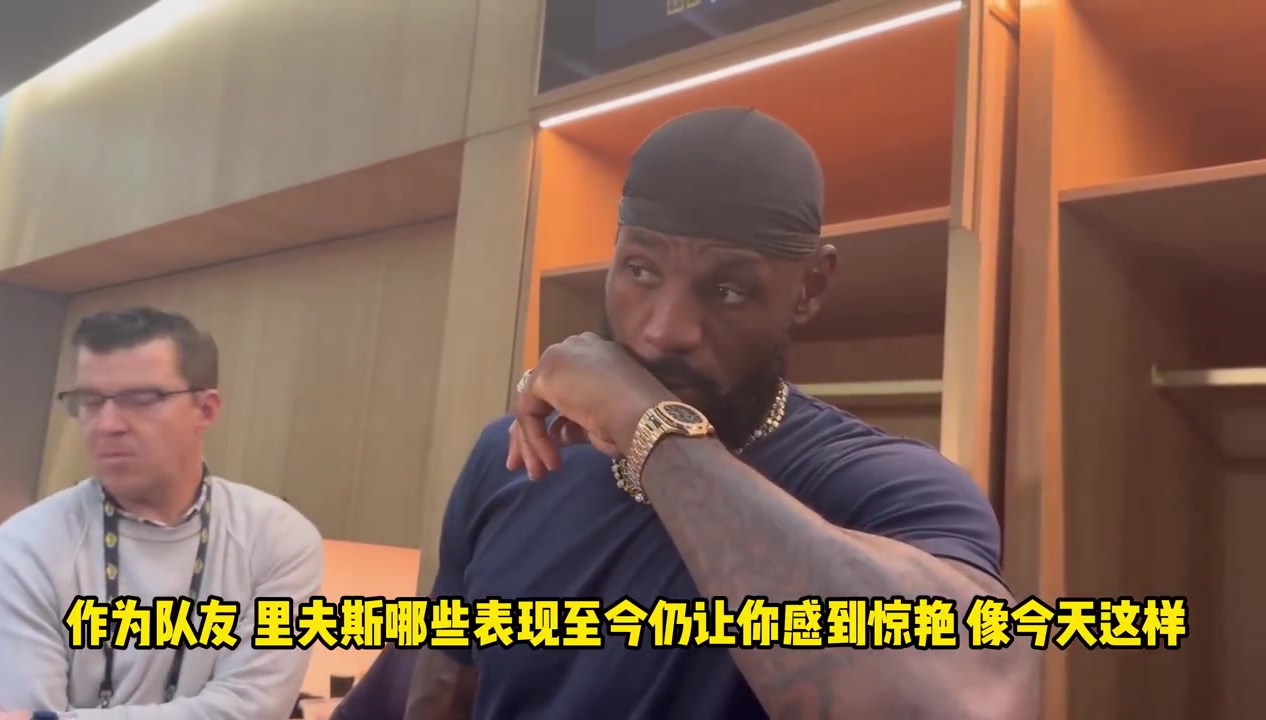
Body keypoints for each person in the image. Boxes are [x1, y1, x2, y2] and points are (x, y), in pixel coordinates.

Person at [405, 107, 1039, 719]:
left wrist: (646, 422)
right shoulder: (511, 457)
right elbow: (442, 690)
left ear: (809, 288)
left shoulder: (885, 486)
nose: (664, 330)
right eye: (640, 270)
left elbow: (965, 702)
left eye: (728, 289)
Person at [0, 307, 324, 720]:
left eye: (141, 400)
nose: (107, 425)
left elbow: (254, 709)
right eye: (90, 402)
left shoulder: (278, 537)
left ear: (206, 409)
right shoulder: (24, 548)